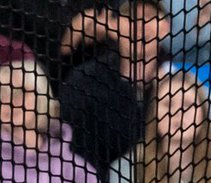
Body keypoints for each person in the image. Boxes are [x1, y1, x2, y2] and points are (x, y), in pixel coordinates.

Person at [58, 0, 171, 167]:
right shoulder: (85, 81)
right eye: (130, 16)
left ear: (165, 27)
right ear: (114, 25)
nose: (139, 25)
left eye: (148, 17)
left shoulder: (179, 85)